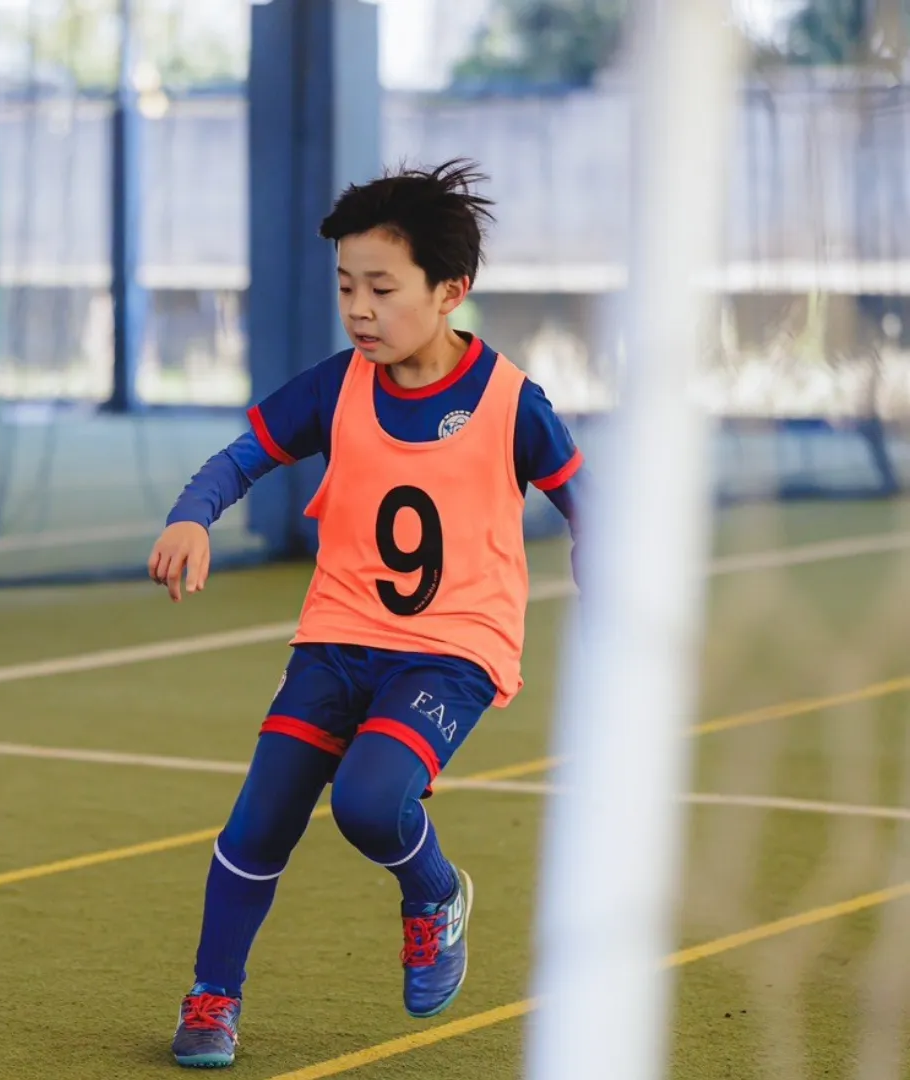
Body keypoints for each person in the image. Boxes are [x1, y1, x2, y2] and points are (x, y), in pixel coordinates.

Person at [149, 160, 584, 1069]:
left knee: (370, 799)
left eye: (382, 288)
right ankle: (212, 999)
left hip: (453, 651)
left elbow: (584, 495)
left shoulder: (510, 403)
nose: (359, 307)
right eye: (346, 285)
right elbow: (239, 457)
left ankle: (433, 893)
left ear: (450, 290)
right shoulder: (334, 386)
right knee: (257, 823)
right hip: (338, 639)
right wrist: (193, 515)